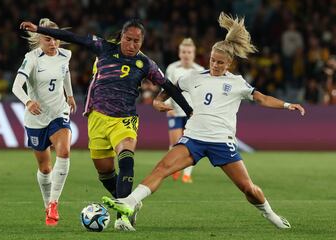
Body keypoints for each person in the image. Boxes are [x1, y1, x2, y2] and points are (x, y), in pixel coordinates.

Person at [102, 12, 306, 230]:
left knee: (248, 189)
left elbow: (262, 98)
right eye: (212, 60)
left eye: (220, 62)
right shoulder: (194, 78)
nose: (215, 65)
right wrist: (157, 102)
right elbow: (168, 88)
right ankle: (128, 203)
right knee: (162, 168)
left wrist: (286, 105)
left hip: (221, 142)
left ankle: (271, 214)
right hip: (193, 139)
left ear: (229, 63)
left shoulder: (237, 83)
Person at [20, 19, 192, 231]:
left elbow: (169, 86)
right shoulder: (104, 48)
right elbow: (73, 38)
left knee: (126, 158)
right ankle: (130, 202)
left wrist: (189, 110)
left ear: (142, 41)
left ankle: (123, 217)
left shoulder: (145, 63)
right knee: (105, 173)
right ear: (121, 37)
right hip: (97, 119)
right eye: (128, 39)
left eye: (137, 41)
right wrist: (39, 30)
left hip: (125, 119)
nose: (131, 45)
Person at [13, 18, 76, 226]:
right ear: (39, 39)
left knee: (64, 151)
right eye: (48, 39)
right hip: (36, 118)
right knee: (45, 169)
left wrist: (70, 95)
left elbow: (65, 73)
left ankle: (54, 204)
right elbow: (16, 86)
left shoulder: (66, 55)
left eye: (56, 39)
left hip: (59, 112)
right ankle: (46, 203)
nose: (53, 43)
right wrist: (28, 101)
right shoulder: (31, 58)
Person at [164, 38, 204, 183]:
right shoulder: (172, 68)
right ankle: (174, 170)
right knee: (175, 144)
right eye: (183, 52)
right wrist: (168, 105)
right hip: (175, 111)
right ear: (179, 53)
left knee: (191, 144)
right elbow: (166, 88)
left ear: (193, 54)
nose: (186, 55)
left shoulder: (200, 71)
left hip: (193, 113)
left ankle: (187, 174)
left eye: (189, 52)